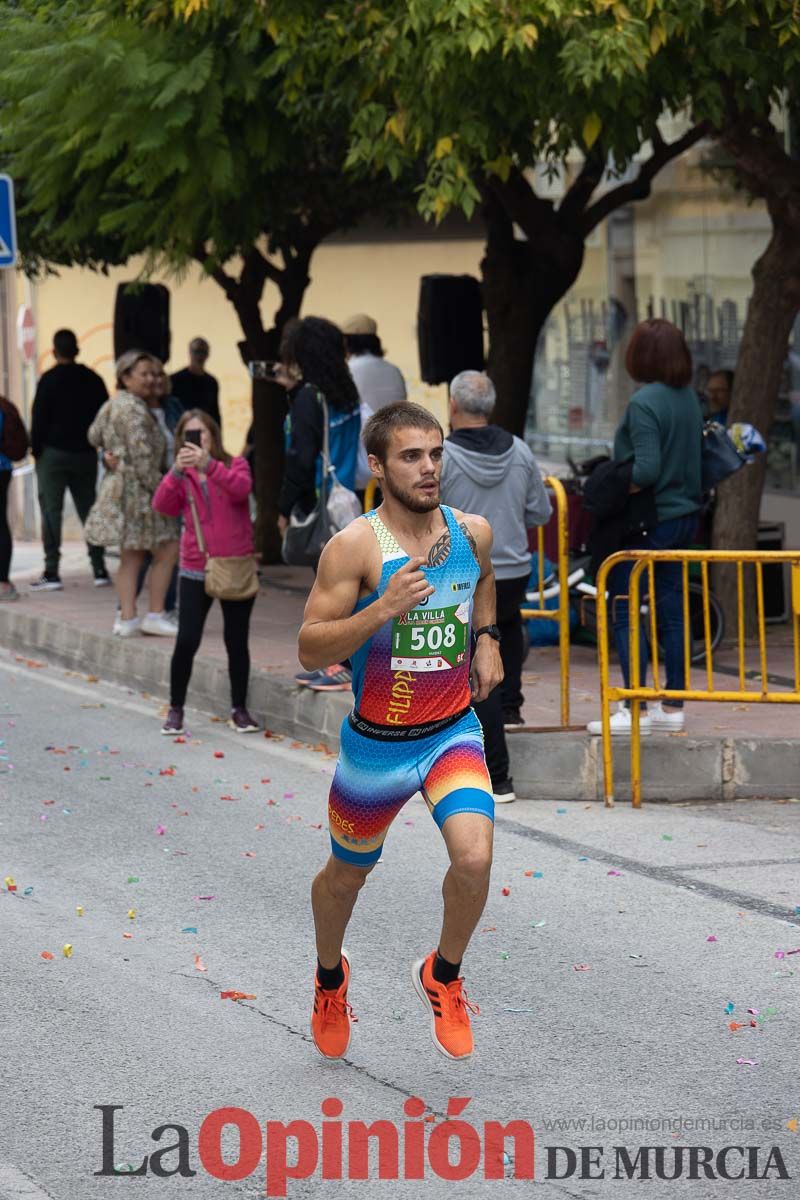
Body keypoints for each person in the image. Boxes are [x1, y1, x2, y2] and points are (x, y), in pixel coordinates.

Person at [298, 400, 502, 1062]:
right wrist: (381, 609)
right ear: (379, 465)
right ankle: (331, 977)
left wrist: (488, 637)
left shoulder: (472, 532)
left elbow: (484, 582)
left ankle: (442, 974)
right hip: (377, 749)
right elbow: (308, 647)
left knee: (473, 857)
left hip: (450, 732)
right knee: (344, 879)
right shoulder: (354, 547)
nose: (429, 467)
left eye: (437, 454)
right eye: (412, 456)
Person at [439, 370, 551, 803]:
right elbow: (539, 512)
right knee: (506, 624)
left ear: (453, 406)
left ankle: (498, 774)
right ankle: (512, 707)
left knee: (477, 657)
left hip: (466, 573)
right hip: (515, 568)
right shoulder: (520, 451)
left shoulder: (441, 456)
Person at [587, 319, 702, 736]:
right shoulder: (688, 398)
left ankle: (633, 703)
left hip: (648, 520)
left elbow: (648, 468)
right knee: (671, 611)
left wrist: (613, 484)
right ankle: (673, 706)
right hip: (685, 515)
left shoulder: (644, 403)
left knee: (623, 606)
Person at [152, 410, 260, 735]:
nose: (197, 441)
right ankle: (175, 709)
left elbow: (241, 490)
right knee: (186, 640)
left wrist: (208, 466)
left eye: (202, 434)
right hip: (196, 567)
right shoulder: (181, 477)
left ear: (213, 436)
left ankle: (239, 709)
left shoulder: (233, 464)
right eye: (190, 435)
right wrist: (175, 471)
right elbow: (161, 506)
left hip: (235, 566)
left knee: (236, 642)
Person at [277, 315, 361, 692]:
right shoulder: (345, 393)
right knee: (346, 586)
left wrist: (283, 507)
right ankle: (349, 662)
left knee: (327, 590)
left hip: (322, 503)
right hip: (348, 500)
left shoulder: (312, 398)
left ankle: (334, 665)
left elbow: (301, 456)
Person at [85, 351, 180, 638]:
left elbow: (93, 435)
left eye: (155, 373)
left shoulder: (115, 404)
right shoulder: (134, 410)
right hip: (142, 494)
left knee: (132, 557)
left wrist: (112, 453)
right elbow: (143, 459)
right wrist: (166, 492)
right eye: (144, 374)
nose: (151, 379)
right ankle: (154, 613)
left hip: (123, 489)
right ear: (126, 377)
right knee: (168, 549)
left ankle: (127, 619)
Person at [29, 329, 110, 591]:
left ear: (54, 351)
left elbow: (38, 418)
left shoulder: (48, 380)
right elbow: (104, 416)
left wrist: (37, 451)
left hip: (53, 454)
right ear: (77, 350)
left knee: (51, 512)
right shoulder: (92, 379)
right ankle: (98, 567)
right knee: (89, 510)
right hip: (85, 453)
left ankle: (51, 572)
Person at [342, 313, 407, 492]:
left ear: (347, 343)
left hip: (362, 463)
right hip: (395, 455)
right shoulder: (394, 371)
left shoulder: (348, 371)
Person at [170, 338, 221, 429]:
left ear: (208, 355)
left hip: (205, 430)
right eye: (196, 351)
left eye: (203, 352)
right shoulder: (175, 379)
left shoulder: (211, 382)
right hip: (181, 428)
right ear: (190, 352)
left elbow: (215, 412)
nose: (199, 356)